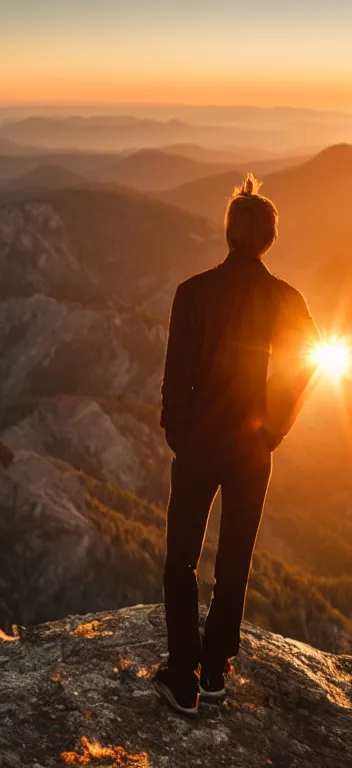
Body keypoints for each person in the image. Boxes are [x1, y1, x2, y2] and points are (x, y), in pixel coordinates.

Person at [153, 173, 319, 717]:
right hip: (253, 451)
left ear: (227, 234)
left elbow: (176, 377)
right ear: (270, 240)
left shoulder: (193, 293)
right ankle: (217, 668)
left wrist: (179, 431)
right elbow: (306, 364)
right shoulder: (286, 298)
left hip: (198, 445)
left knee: (181, 561)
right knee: (236, 559)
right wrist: (273, 428)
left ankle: (182, 677)